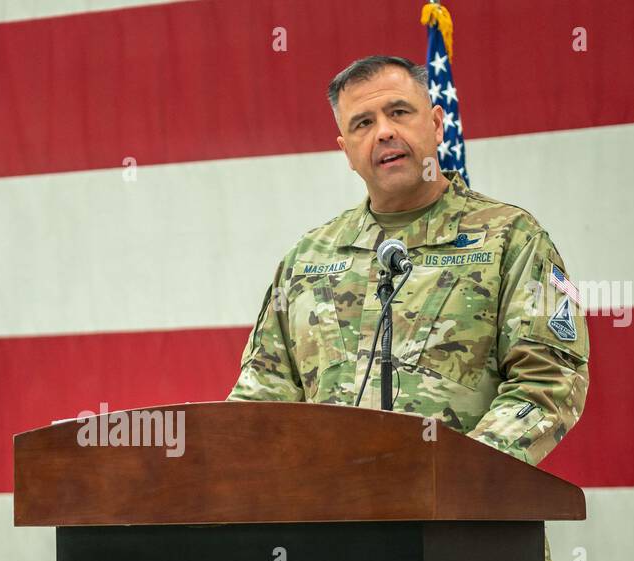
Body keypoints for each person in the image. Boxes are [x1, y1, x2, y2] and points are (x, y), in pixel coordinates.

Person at [228, 55, 589, 473]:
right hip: (332, 527)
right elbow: (260, 405)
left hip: (464, 524)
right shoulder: (308, 258)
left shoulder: (512, 238)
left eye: (398, 112)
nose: (384, 132)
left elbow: (547, 383)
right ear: (346, 151)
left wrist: (451, 474)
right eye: (362, 124)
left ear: (436, 124)